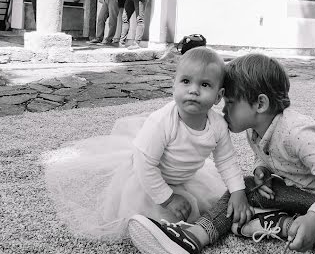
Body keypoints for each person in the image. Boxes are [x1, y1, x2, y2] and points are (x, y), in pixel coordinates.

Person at [127, 53, 315, 254]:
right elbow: (266, 156)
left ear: (260, 104)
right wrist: (261, 170)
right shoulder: (254, 130)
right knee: (241, 188)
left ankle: (279, 223)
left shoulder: (297, 132)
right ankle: (193, 236)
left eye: (231, 103)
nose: (223, 111)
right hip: (290, 192)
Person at [43, 47, 252, 243]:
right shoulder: (162, 122)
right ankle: (155, 234)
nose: (194, 90)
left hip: (182, 177)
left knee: (206, 206)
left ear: (218, 96)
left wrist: (237, 191)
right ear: (174, 85)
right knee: (157, 220)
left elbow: (226, 160)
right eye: (186, 81)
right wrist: (168, 199)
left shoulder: (217, 126)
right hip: (146, 179)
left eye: (205, 85)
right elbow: (145, 166)